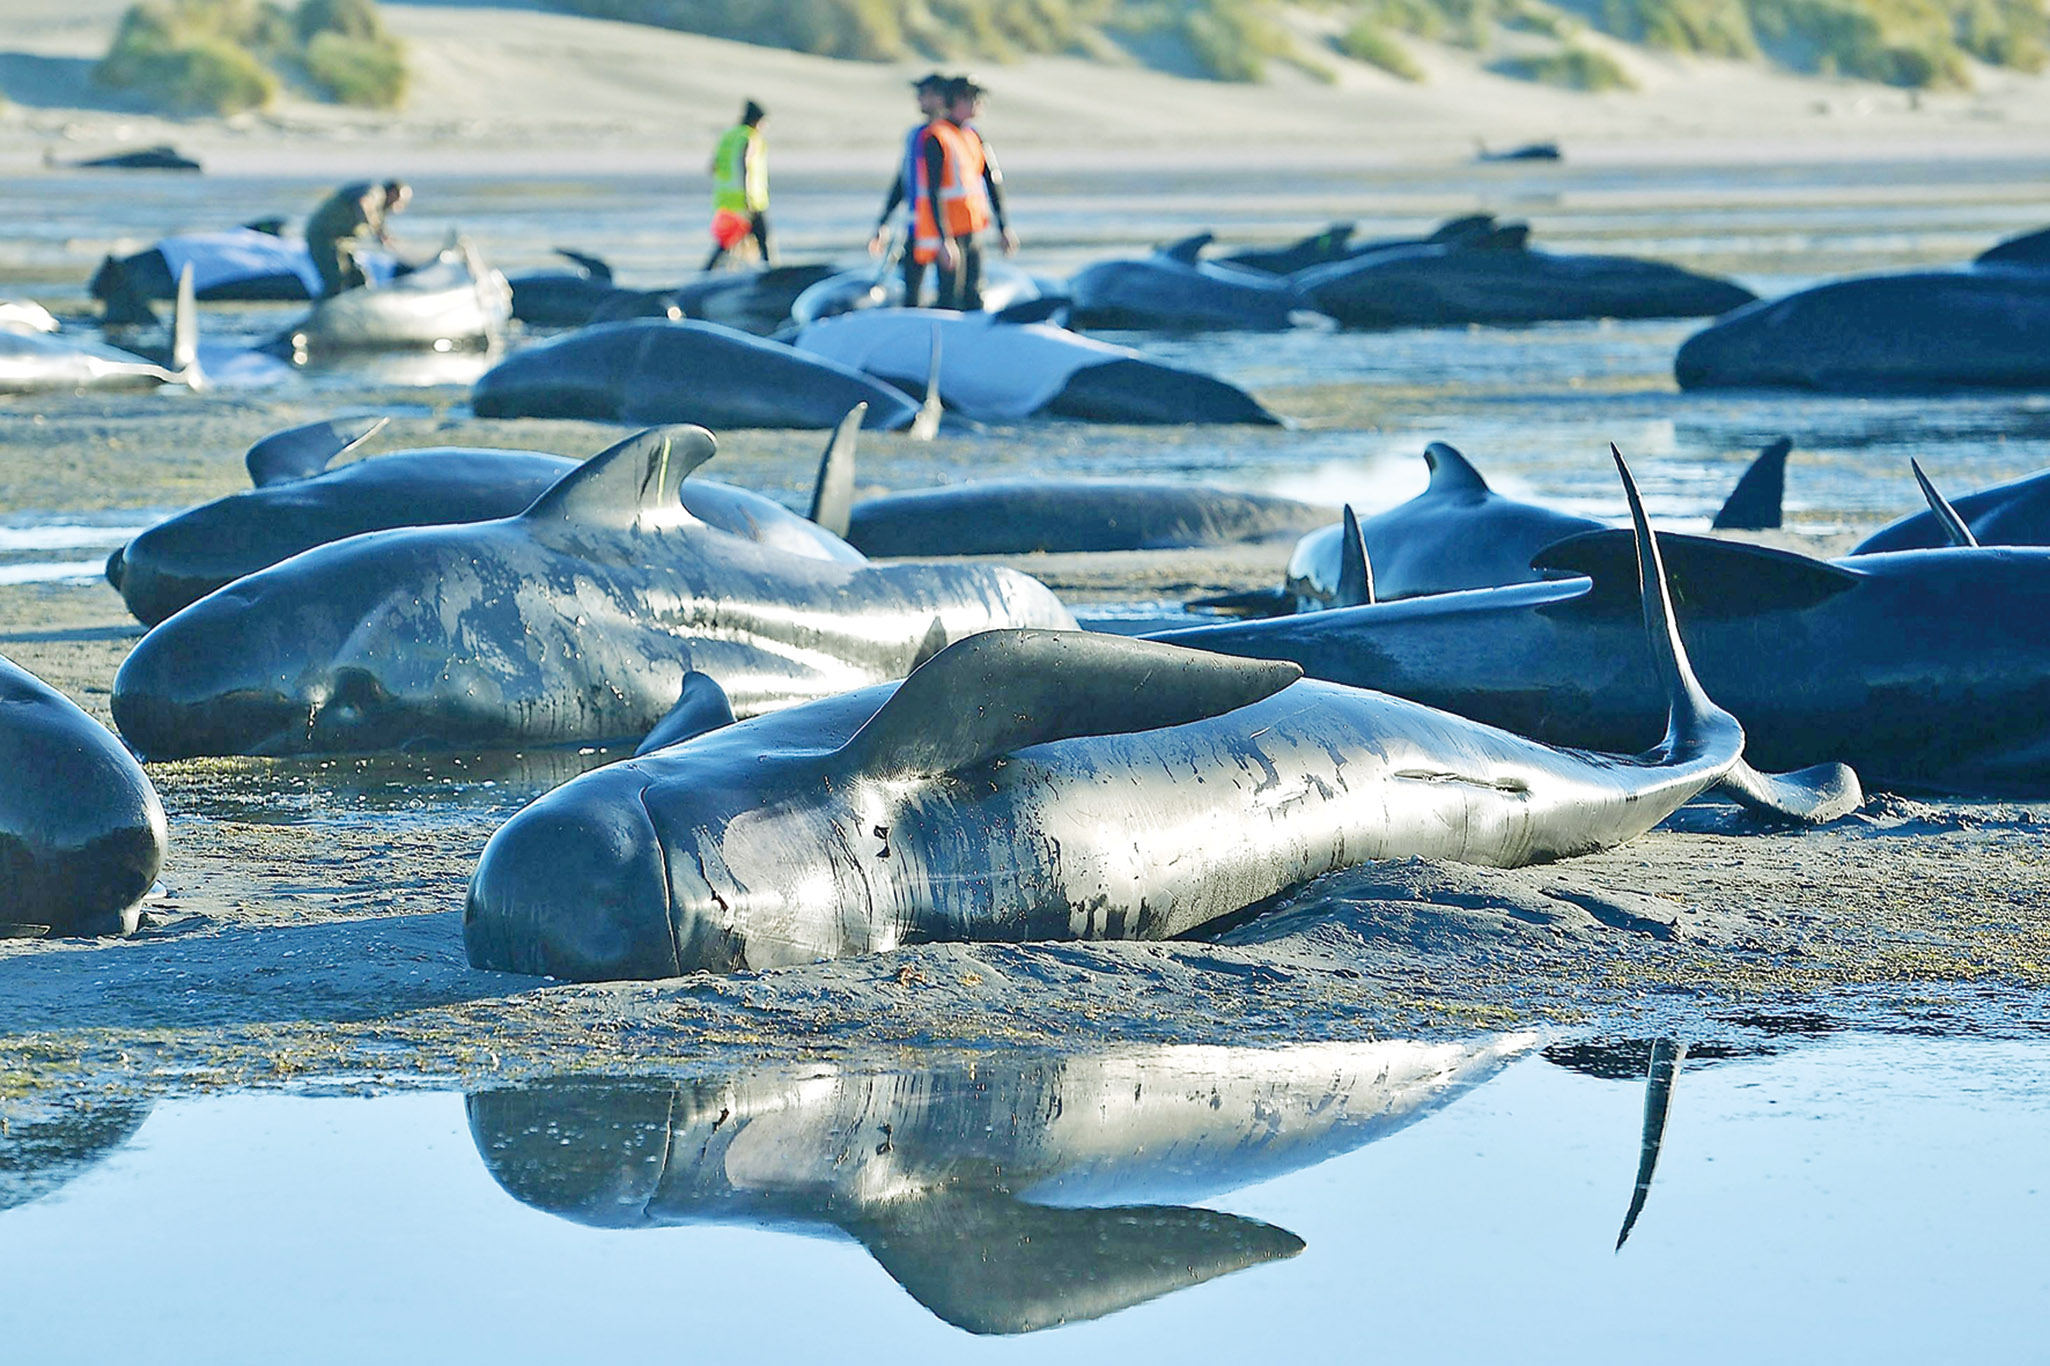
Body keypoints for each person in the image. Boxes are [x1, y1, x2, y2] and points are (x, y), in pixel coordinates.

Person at [869, 72, 949, 306]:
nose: (919, 99)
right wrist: (883, 221)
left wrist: (945, 236)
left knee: (948, 293)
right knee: (911, 287)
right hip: (918, 226)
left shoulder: (948, 136)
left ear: (939, 97)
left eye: (924, 94)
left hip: (947, 227)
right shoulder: (916, 135)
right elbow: (902, 182)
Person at [939, 76, 1018, 309]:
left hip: (971, 226)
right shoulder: (938, 136)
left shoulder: (974, 136)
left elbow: (992, 183)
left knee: (973, 291)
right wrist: (944, 240)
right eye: (973, 99)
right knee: (949, 293)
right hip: (948, 230)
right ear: (957, 100)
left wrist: (1003, 227)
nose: (979, 104)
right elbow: (932, 191)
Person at [304, 180, 410, 299]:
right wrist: (375, 230)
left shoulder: (379, 208)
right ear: (392, 193)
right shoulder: (376, 192)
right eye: (400, 201)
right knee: (335, 280)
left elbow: (377, 221)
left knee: (359, 277)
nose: (400, 206)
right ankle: (322, 314)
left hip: (344, 241)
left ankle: (362, 310)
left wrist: (383, 235)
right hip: (324, 236)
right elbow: (364, 203)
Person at [705, 100, 773, 270]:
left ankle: (704, 274)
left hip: (725, 200)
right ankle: (770, 274)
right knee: (763, 239)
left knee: (726, 242)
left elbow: (713, 166)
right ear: (756, 120)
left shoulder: (727, 136)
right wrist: (747, 196)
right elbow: (744, 164)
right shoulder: (750, 137)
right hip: (748, 201)